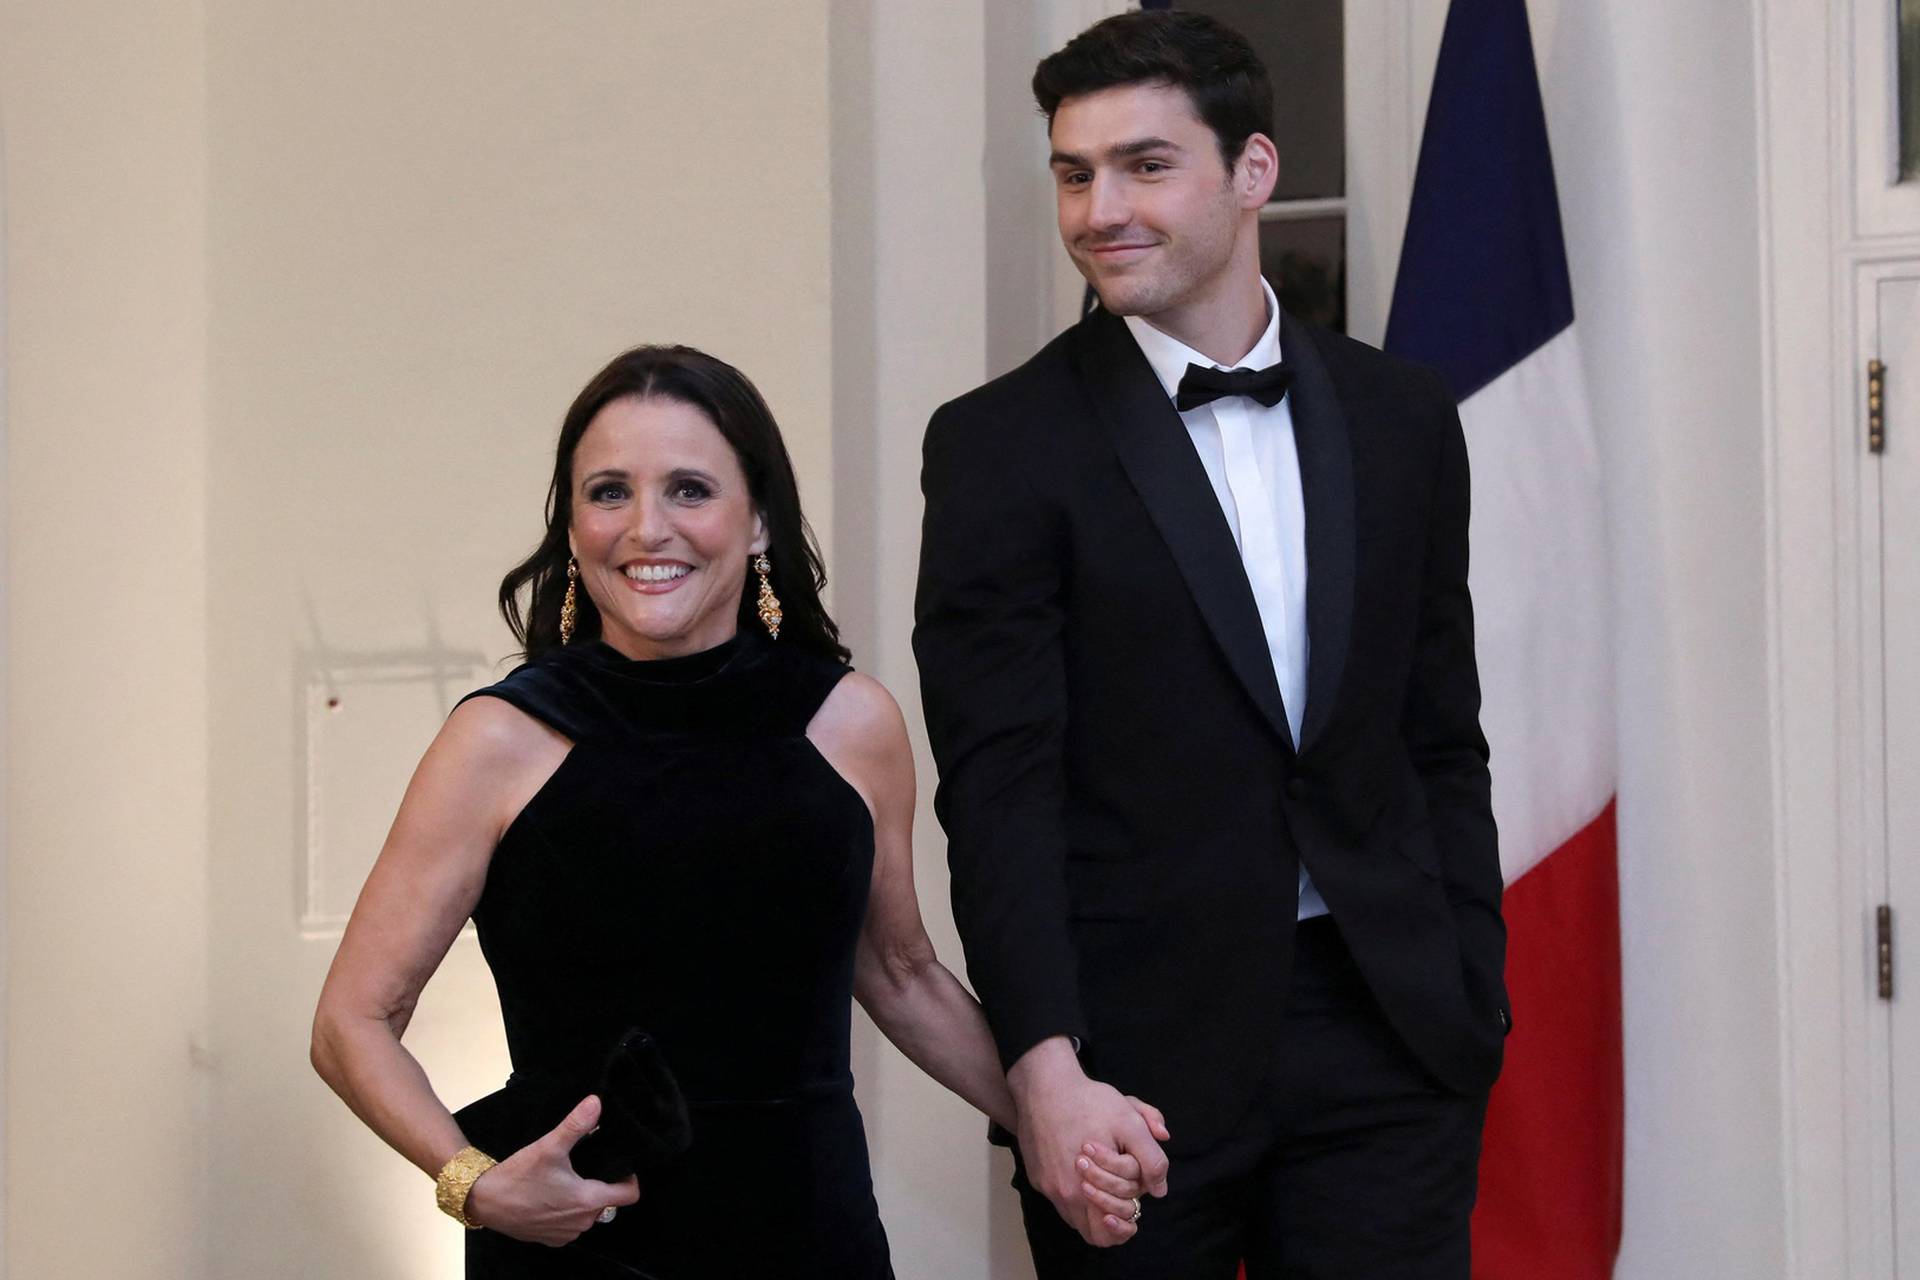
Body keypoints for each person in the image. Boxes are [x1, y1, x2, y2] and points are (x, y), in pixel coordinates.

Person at [310, 345, 1153, 1278]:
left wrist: (1057, 1110)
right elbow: (353, 1020)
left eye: (688, 490)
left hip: (809, 1237)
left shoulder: (850, 723)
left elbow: (903, 974)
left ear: (758, 520)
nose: (646, 528)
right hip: (584, 1243)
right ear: (572, 523)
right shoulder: (499, 740)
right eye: (608, 492)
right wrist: (472, 1182)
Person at [913, 11, 1510, 1278]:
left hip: (1389, 1037)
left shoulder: (1401, 416)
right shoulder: (999, 446)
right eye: (1075, 173)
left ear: (1253, 171)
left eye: (1144, 165)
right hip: (1132, 1070)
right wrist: (1045, 1069)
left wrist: (1469, 994)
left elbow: (1440, 733)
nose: (1098, 209)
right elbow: (998, 787)